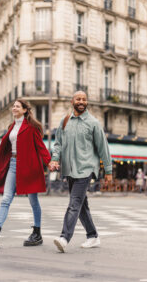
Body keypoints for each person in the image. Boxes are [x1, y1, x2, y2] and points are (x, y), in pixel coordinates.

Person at [0, 99, 51, 248]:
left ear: (24, 110)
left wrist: (49, 161)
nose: (14, 108)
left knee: (33, 201)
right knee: (6, 198)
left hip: (28, 166)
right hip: (13, 164)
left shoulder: (31, 127)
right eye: (14, 106)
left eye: (17, 106)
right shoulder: (12, 127)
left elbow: (40, 146)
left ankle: (37, 233)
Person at [49, 91, 112, 252]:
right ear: (72, 101)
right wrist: (55, 158)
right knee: (82, 205)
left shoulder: (93, 123)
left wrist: (108, 171)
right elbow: (58, 143)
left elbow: (103, 148)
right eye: (78, 99)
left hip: (86, 168)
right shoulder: (64, 121)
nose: (81, 101)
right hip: (70, 169)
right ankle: (93, 236)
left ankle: (64, 237)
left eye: (84, 99)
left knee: (74, 203)